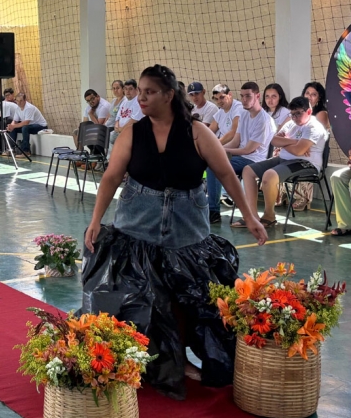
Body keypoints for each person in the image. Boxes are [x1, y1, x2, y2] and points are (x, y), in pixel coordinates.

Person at [82, 65, 267, 401]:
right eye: (140, 91)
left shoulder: (197, 132)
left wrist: (250, 216)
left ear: (169, 95)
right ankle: (155, 361)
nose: (141, 98)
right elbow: (110, 177)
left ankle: (179, 359)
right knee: (145, 301)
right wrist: (96, 219)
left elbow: (226, 175)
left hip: (187, 232)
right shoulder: (132, 133)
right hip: (137, 227)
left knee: (189, 302)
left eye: (149, 92)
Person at [237, 97, 328, 228]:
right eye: (292, 114)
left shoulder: (314, 127)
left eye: (298, 113)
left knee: (269, 175)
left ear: (308, 112)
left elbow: (298, 152)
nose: (295, 117)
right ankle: (252, 215)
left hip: (305, 163)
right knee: (248, 171)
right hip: (284, 159)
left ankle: (269, 216)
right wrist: (295, 142)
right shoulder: (291, 123)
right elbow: (274, 140)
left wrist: (285, 143)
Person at [207, 82, 276, 224]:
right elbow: (236, 142)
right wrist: (220, 149)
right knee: (211, 162)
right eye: (242, 96)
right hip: (241, 156)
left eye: (248, 96)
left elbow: (248, 149)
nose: (244, 99)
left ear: (257, 96)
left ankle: (213, 211)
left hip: (255, 160)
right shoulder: (244, 114)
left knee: (215, 166)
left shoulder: (263, 120)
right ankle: (210, 209)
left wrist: (222, 149)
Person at [286, 81, 330, 211]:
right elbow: (288, 134)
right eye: (307, 93)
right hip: (300, 146)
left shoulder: (322, 113)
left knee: (303, 157)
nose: (309, 97)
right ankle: (283, 194)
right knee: (279, 156)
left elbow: (314, 138)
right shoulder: (298, 112)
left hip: (314, 150)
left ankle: (303, 198)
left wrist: (299, 145)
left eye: (313, 94)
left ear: (319, 98)